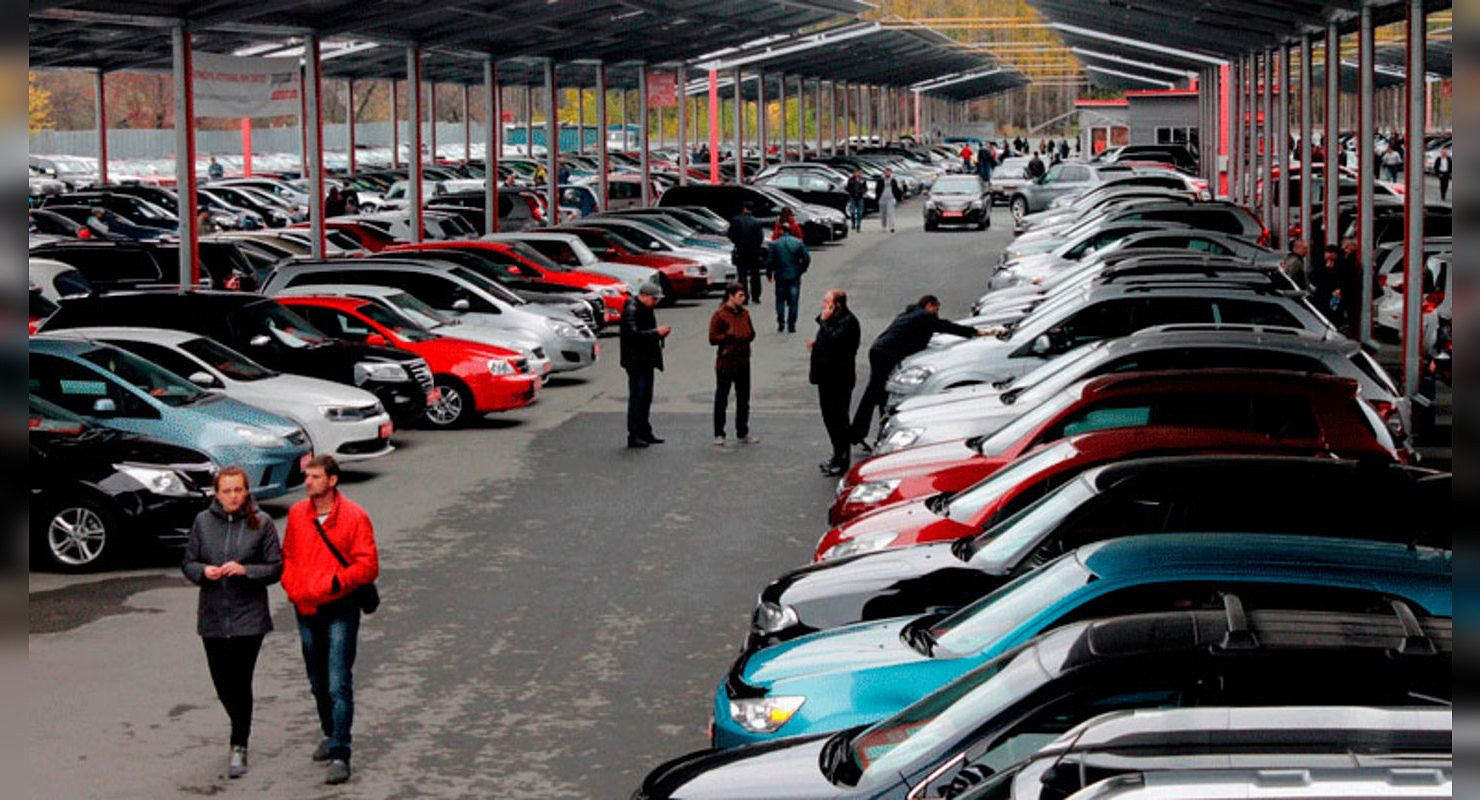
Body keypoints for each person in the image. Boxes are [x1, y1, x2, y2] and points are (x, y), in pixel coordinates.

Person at [281, 455, 379, 786]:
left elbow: (368, 565)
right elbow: (289, 555)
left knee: (338, 682)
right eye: (307, 476)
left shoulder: (354, 516)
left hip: (340, 607)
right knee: (317, 680)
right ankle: (330, 732)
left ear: (332, 481)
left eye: (315, 477)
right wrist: (293, 587)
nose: (307, 482)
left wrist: (336, 583)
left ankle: (340, 752)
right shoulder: (298, 514)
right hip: (306, 607)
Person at [182, 466, 283, 780]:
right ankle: (239, 724)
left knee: (240, 681)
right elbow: (188, 562)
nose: (233, 496)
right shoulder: (203, 521)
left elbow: (276, 567)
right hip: (213, 616)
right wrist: (203, 572)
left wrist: (245, 571)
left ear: (247, 491)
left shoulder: (262, 522)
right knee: (223, 683)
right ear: (217, 494)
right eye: (227, 491)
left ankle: (239, 743)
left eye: (239, 490)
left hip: (248, 617)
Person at [849, 295, 986, 447]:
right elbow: (945, 326)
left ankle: (868, 431)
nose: (937, 312)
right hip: (886, 354)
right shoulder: (925, 316)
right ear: (929, 305)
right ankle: (857, 432)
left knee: (880, 393)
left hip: (879, 350)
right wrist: (974, 332)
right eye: (936, 308)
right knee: (874, 394)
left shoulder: (909, 314)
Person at [808, 289, 860, 476]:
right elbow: (826, 342)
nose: (824, 304)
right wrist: (816, 346)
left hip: (840, 378)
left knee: (839, 419)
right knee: (829, 417)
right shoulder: (833, 320)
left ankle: (843, 459)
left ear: (837, 304)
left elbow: (837, 341)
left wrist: (824, 321)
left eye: (827, 301)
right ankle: (837, 454)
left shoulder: (848, 321)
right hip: (826, 376)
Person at [619, 283, 670, 448]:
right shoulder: (631, 310)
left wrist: (657, 334)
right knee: (638, 397)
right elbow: (633, 335)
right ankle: (634, 434)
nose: (656, 302)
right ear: (644, 296)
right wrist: (656, 333)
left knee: (646, 397)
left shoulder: (645, 308)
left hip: (646, 359)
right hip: (635, 361)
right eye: (654, 299)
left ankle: (644, 431)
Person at [708, 283, 757, 446]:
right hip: (726, 361)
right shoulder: (720, 315)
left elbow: (751, 333)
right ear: (731, 296)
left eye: (744, 295)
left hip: (743, 360)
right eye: (740, 295)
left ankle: (742, 432)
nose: (744, 299)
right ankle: (719, 433)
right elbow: (712, 338)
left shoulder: (745, 313)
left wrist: (747, 335)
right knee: (722, 398)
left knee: (743, 398)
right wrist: (728, 337)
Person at [767, 223, 811, 333]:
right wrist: (801, 270)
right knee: (794, 301)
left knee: (780, 300)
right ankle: (791, 325)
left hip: (780, 275)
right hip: (794, 275)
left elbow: (770, 261)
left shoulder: (775, 244)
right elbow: (806, 258)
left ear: (781, 231)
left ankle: (781, 323)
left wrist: (769, 274)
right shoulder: (798, 243)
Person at [726, 201, 766, 303]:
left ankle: (744, 297)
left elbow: (730, 234)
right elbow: (760, 237)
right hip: (754, 252)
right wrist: (756, 246)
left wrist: (737, 242)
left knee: (742, 275)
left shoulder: (736, 220)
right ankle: (756, 296)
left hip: (741, 250)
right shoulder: (756, 222)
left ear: (744, 208)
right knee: (755, 275)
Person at [1309, 244, 1342, 328]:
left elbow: (1342, 279)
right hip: (1321, 294)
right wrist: (1326, 269)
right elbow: (1313, 278)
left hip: (1334, 295)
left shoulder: (1340, 265)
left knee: (1334, 314)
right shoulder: (1319, 264)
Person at [877, 167, 902, 233]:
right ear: (884, 173)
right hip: (882, 199)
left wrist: (898, 198)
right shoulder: (880, 180)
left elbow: (896, 190)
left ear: (891, 172)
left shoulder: (893, 180)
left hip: (890, 199)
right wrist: (877, 198)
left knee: (891, 213)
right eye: (886, 172)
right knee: (883, 214)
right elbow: (877, 190)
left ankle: (892, 227)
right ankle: (884, 226)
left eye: (888, 172)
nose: (887, 173)